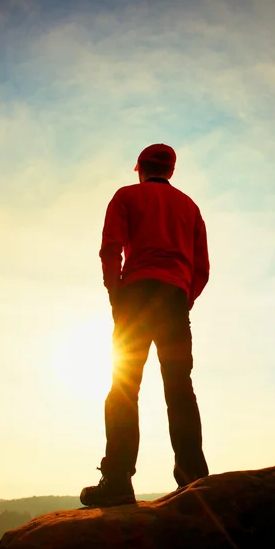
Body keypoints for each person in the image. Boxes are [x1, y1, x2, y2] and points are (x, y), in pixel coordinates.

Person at [80, 143, 210, 507]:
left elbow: (111, 248)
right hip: (174, 298)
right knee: (180, 389)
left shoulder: (126, 196)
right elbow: (202, 268)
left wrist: (115, 295)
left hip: (135, 295)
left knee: (124, 387)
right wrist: (184, 298)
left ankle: (118, 480)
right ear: (170, 171)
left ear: (140, 168)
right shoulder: (190, 208)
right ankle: (194, 479)